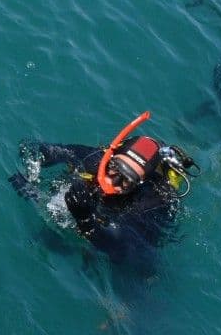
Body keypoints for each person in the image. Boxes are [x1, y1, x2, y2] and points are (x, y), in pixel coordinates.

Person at [10, 111, 197, 265]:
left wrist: (85, 221)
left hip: (130, 240)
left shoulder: (153, 200)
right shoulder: (95, 159)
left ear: (140, 183)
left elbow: (125, 248)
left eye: (127, 179)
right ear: (110, 155)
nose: (112, 181)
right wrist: (30, 173)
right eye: (114, 167)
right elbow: (39, 150)